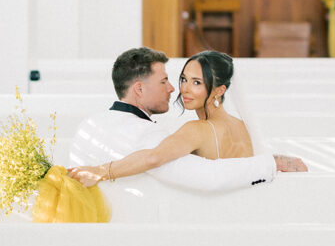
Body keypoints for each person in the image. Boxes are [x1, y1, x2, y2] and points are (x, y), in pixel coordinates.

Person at [69, 47, 306, 189]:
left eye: (197, 83)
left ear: (219, 90)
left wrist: (101, 171)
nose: (183, 89)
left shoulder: (197, 130)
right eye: (183, 79)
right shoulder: (242, 126)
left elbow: (153, 157)